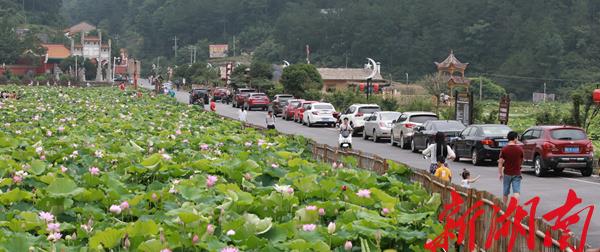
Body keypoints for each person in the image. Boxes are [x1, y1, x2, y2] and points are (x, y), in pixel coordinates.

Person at [498, 131, 523, 205]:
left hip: (507, 173)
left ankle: (504, 207)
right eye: (517, 138)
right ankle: (514, 207)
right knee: (516, 192)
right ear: (515, 138)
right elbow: (521, 161)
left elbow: (500, 162)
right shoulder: (519, 149)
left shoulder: (504, 149)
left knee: (505, 192)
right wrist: (519, 167)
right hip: (517, 173)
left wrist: (500, 173)